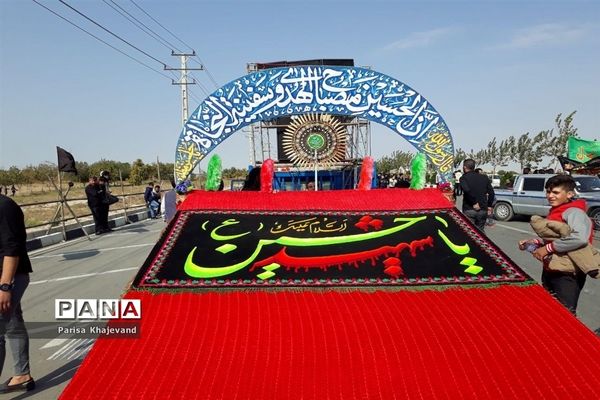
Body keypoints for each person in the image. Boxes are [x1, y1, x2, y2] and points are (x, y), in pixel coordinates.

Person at [518, 174, 593, 315]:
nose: (550, 195)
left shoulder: (574, 212)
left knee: (565, 313)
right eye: (548, 192)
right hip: (551, 268)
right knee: (549, 309)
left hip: (568, 273)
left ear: (569, 194)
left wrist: (547, 248)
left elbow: (580, 238)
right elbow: (556, 237)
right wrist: (535, 243)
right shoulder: (557, 211)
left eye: (556, 192)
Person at [0, 194, 35, 393]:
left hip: (9, 277)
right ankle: (22, 374)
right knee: (13, 323)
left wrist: (5, 286)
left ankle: (22, 373)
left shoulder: (4, 206)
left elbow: (11, 248)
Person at [459, 159, 495, 232]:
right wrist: (489, 205)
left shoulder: (463, 178)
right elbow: (491, 193)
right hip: (483, 209)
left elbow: (467, 190)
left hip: (469, 208)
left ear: (465, 167)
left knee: (469, 232)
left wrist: (474, 202)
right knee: (480, 232)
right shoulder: (484, 177)